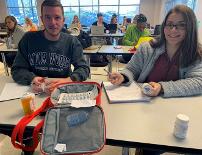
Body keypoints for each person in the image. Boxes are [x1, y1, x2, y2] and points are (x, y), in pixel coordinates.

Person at [109, 5, 202, 154]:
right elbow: (132, 69)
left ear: (190, 28)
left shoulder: (195, 53)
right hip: (148, 112)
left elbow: (199, 82)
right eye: (169, 25)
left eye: (181, 26)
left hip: (181, 113)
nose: (173, 30)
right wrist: (123, 76)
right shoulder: (147, 48)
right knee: (151, 148)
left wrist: (162, 88)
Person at [11, 0, 90, 95]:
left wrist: (69, 80)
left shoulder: (72, 42)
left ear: (63, 20)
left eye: (57, 17)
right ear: (42, 19)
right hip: (34, 92)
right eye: (47, 17)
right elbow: (17, 69)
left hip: (63, 92)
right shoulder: (28, 39)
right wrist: (32, 78)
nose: (53, 22)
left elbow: (84, 68)